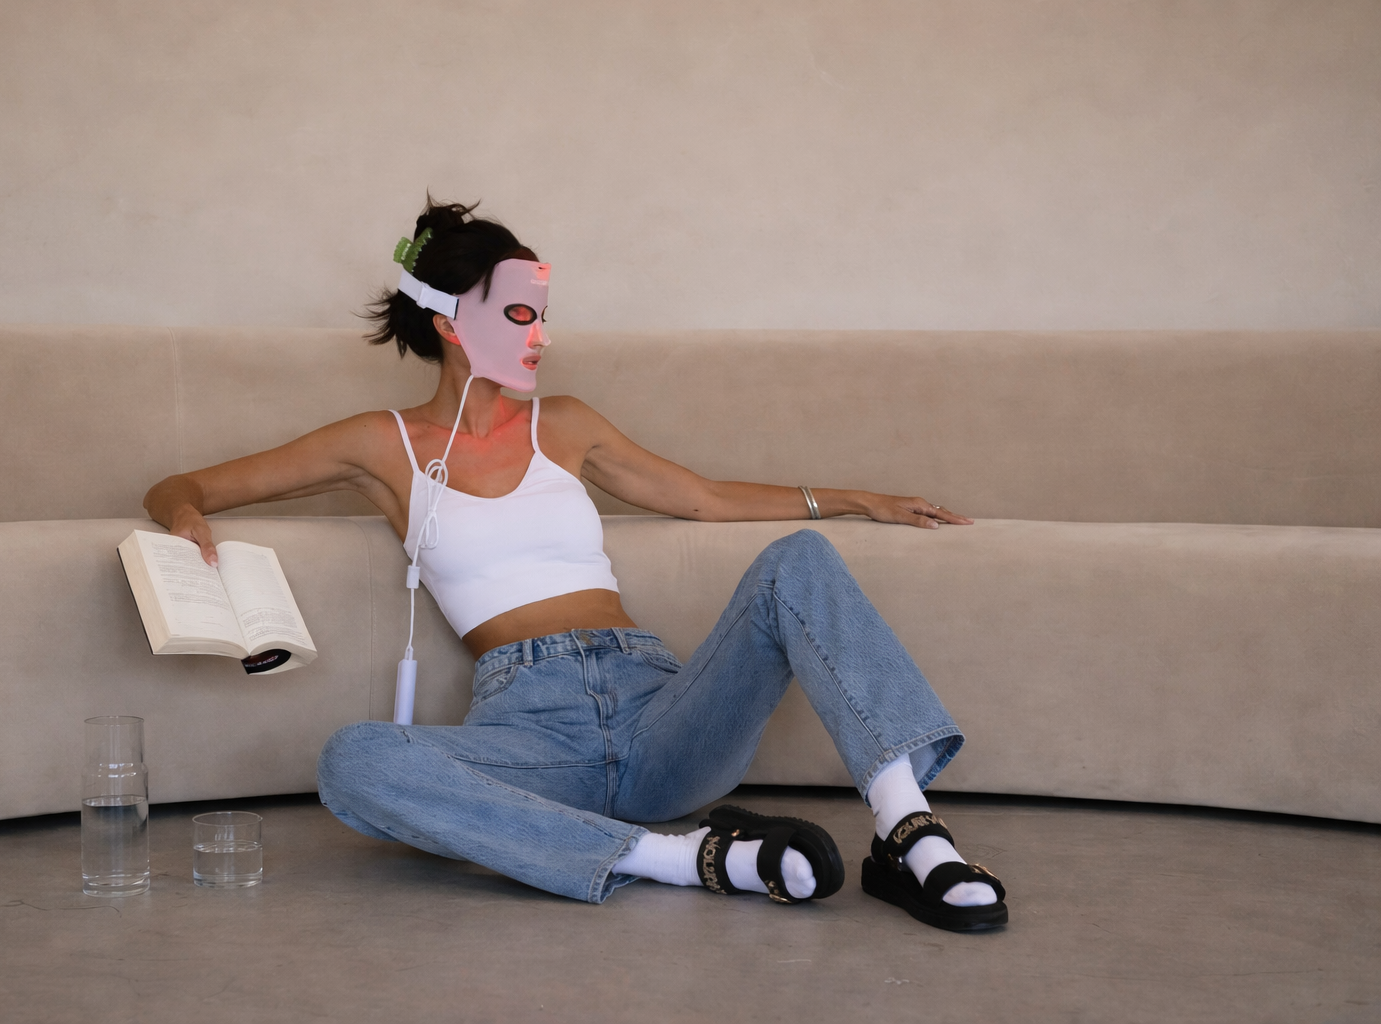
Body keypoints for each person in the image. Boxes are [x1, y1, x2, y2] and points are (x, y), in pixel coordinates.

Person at [143, 199, 1008, 931]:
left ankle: (910, 838)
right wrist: (185, 513)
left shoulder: (566, 423)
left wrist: (852, 499)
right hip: (531, 735)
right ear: (451, 324)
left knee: (801, 560)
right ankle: (687, 860)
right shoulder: (381, 445)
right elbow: (182, 484)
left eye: (542, 315)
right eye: (521, 315)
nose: (542, 337)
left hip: (663, 714)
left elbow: (700, 497)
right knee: (353, 763)